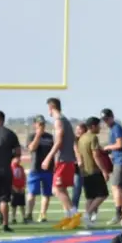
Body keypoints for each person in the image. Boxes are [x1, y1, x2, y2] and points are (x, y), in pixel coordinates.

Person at [42, 98, 80, 229]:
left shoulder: (59, 121)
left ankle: (74, 215)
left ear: (51, 108)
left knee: (56, 189)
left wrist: (48, 158)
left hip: (63, 160)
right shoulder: (65, 120)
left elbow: (58, 142)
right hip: (66, 159)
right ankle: (69, 217)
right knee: (61, 189)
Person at [76, 117, 111, 227]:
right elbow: (96, 156)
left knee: (90, 197)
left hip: (85, 171)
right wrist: (104, 171)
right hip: (94, 170)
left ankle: (88, 221)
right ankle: (88, 214)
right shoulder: (93, 138)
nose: (100, 127)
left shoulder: (82, 138)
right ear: (93, 126)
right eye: (98, 125)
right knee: (103, 194)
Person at [102, 108, 122, 225]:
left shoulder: (116, 128)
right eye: (104, 120)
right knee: (120, 188)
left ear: (112, 117)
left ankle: (119, 214)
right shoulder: (113, 129)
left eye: (107, 119)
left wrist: (108, 147)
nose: (105, 122)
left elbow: (120, 144)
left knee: (116, 187)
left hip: (121, 161)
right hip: (121, 160)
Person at [26, 115, 54, 223]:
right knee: (32, 192)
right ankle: (29, 214)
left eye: (43, 123)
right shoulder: (31, 136)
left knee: (46, 193)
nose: (42, 125)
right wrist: (38, 135)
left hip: (48, 169)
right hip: (35, 168)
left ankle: (43, 214)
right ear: (35, 124)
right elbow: (32, 148)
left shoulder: (50, 137)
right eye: (39, 123)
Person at [71, 123, 87, 215]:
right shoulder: (75, 140)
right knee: (76, 191)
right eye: (76, 129)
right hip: (78, 169)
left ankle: (90, 212)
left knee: (90, 193)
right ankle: (74, 211)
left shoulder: (87, 140)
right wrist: (79, 161)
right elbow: (76, 150)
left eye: (79, 129)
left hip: (88, 168)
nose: (77, 131)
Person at [11, 157, 27, 224]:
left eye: (19, 159)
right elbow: (9, 179)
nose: (19, 160)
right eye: (17, 158)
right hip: (14, 189)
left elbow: (24, 177)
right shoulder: (10, 167)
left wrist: (23, 187)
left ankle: (24, 217)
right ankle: (13, 218)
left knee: (22, 204)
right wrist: (13, 187)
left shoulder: (21, 167)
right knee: (14, 205)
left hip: (21, 188)